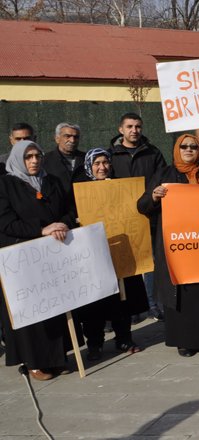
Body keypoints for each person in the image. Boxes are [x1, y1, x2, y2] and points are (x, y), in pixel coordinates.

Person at [137, 134, 199, 357]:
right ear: (177, 149)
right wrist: (155, 197)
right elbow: (142, 205)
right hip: (176, 247)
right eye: (184, 146)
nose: (188, 150)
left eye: (193, 147)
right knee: (181, 294)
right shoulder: (164, 174)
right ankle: (184, 341)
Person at [0, 140, 75, 380]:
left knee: (53, 308)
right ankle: (33, 363)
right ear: (17, 159)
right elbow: (6, 223)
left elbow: (67, 209)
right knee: (31, 313)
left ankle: (56, 358)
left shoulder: (50, 181)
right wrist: (41, 229)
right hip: (21, 260)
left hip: (51, 257)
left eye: (37, 156)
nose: (34, 161)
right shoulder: (5, 185)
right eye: (28, 157)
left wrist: (63, 223)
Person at [74, 148, 150, 360]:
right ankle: (95, 344)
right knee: (95, 301)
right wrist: (78, 219)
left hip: (120, 252)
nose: (102, 167)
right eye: (97, 163)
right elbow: (71, 214)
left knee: (122, 299)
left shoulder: (121, 187)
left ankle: (124, 338)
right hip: (93, 254)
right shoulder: (82, 191)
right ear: (90, 166)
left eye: (105, 162)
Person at [110, 112, 167, 322]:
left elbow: (161, 178)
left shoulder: (153, 152)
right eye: (130, 126)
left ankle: (153, 305)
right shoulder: (111, 154)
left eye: (138, 126)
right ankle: (133, 308)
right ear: (121, 129)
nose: (134, 130)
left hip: (149, 213)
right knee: (127, 262)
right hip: (122, 218)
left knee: (150, 262)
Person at [42, 122, 86, 198]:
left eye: (76, 137)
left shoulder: (87, 159)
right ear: (57, 138)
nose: (72, 140)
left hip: (83, 205)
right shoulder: (45, 160)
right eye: (67, 136)